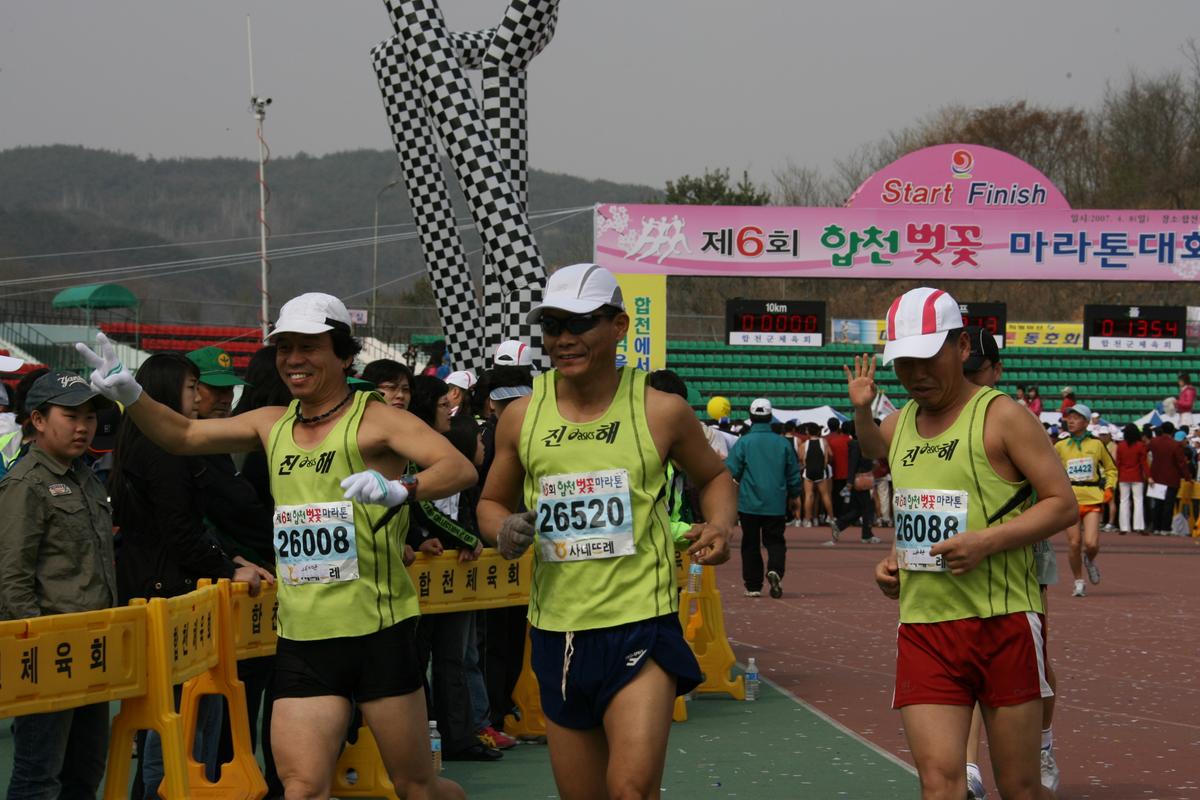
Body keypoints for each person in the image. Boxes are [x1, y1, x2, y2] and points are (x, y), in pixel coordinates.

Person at [77, 291, 477, 800]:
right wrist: (131, 396)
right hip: (304, 638)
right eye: (285, 347)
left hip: (379, 632)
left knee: (416, 787)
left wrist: (403, 488)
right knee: (301, 787)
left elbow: (458, 469)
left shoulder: (377, 421)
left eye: (308, 346)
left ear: (342, 353)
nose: (294, 359)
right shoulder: (271, 422)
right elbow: (180, 436)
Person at [476, 263, 735, 800]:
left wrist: (720, 524)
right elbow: (491, 503)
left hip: (642, 623)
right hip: (559, 631)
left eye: (581, 323)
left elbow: (714, 477)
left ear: (619, 326)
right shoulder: (521, 418)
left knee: (631, 791)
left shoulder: (661, 411)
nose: (564, 339)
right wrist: (502, 529)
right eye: (552, 326)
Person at [850, 286, 1075, 800]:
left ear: (961, 348)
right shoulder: (900, 422)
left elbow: (1061, 503)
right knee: (941, 782)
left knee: (1019, 787)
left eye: (928, 358)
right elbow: (910, 509)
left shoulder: (1003, 416)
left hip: (1004, 623)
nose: (915, 375)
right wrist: (893, 560)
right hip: (926, 627)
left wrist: (987, 543)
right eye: (904, 363)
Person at [0, 371, 117, 799]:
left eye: (89, 416)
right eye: (71, 415)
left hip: (91, 650)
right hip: (49, 653)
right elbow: (11, 579)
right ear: (38, 420)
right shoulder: (25, 484)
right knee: (38, 777)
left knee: (84, 775)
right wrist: (38, 649)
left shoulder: (84, 477)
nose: (84, 426)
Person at [961, 325, 1062, 796]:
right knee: (965, 662)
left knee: (1036, 657)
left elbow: (1054, 498)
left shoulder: (1013, 418)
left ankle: (1040, 743)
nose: (969, 379)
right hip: (959, 559)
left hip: (1021, 557)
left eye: (976, 371)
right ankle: (968, 767)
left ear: (997, 370)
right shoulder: (943, 415)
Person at [185, 345, 284, 796]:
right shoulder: (188, 448)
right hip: (211, 592)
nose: (222, 399)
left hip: (251, 587)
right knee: (211, 712)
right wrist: (233, 561)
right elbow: (191, 523)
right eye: (210, 390)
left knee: (247, 700)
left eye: (228, 390)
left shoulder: (226, 445)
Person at [726, 397, 801, 598]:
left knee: (750, 543)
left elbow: (731, 470)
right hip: (776, 503)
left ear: (751, 417)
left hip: (749, 503)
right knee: (775, 541)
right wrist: (794, 495)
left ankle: (753, 585)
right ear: (770, 417)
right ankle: (775, 569)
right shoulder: (783, 443)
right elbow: (793, 473)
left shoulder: (744, 442)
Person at [1054, 403, 1115, 598]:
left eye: (1076, 418)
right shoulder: (1060, 446)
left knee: (1091, 544)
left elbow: (1111, 469)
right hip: (1070, 501)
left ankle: (1089, 560)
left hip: (1092, 500)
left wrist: (1109, 488)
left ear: (1086, 422)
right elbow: (1050, 471)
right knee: (1074, 543)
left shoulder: (1097, 445)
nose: (1070, 421)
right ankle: (1078, 581)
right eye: (1069, 417)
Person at [828, 420, 881, 545]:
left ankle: (839, 524)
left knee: (858, 509)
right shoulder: (856, 444)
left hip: (861, 478)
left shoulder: (859, 444)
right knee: (867, 507)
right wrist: (850, 482)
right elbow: (852, 464)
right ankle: (866, 535)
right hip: (860, 479)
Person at [1146, 421, 1190, 535]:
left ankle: (1156, 527)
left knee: (1158, 504)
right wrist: (1187, 477)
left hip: (1156, 477)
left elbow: (1144, 452)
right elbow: (1181, 463)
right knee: (1168, 504)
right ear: (1172, 431)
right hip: (1171, 478)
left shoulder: (1154, 442)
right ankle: (1165, 528)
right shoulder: (1176, 445)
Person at [1116, 423, 1149, 535]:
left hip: (1123, 476)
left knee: (1123, 501)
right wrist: (1149, 476)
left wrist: (1117, 475)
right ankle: (1139, 526)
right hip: (1136, 476)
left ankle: (1124, 527)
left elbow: (1118, 463)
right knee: (1138, 501)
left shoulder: (1120, 445)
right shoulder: (1140, 445)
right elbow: (1143, 463)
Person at [800, 422, 835, 528]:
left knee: (809, 495)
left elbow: (801, 458)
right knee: (825, 495)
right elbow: (830, 454)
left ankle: (807, 520)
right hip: (821, 470)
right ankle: (832, 518)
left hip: (809, 471)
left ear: (808, 432)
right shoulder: (823, 442)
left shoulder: (804, 444)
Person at [825, 417, 851, 516]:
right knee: (848, 497)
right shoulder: (850, 441)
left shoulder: (829, 441)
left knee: (835, 496)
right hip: (848, 473)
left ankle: (835, 515)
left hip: (834, 473)